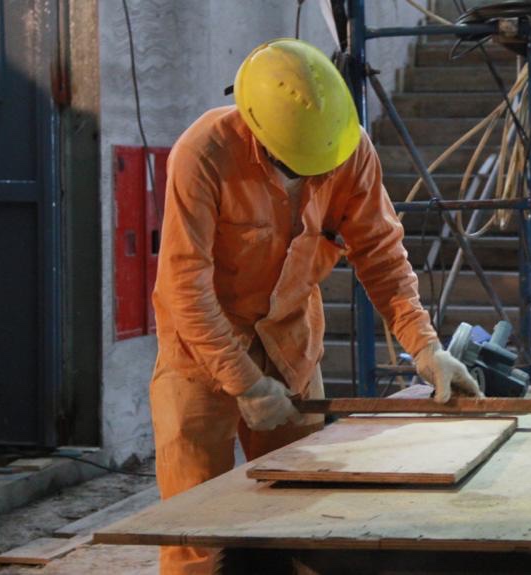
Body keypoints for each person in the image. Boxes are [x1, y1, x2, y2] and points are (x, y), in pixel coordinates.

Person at [148, 38, 481, 574]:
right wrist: (245, 383)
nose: (310, 178)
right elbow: (185, 286)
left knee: (305, 518)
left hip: (291, 345)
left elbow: (381, 255)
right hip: (200, 353)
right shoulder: (204, 153)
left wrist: (426, 347)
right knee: (196, 535)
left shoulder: (349, 149)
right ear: (256, 128)